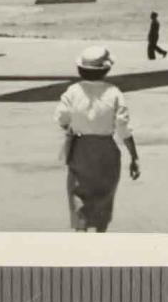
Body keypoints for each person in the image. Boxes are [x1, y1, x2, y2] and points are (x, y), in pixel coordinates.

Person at [55, 46, 141, 233]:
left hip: (80, 148)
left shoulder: (72, 91)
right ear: (106, 69)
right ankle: (101, 234)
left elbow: (61, 118)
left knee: (79, 193)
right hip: (106, 150)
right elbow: (123, 127)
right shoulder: (114, 92)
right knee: (104, 194)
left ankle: (81, 235)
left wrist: (74, 127)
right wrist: (134, 156)